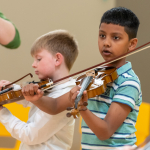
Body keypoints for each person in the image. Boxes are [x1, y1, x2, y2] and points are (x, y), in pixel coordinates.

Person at [21, 7, 141, 149]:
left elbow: (105, 132)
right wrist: (36, 98)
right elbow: (55, 106)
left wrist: (81, 108)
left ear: (132, 44)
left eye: (115, 38)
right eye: (102, 35)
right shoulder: (95, 76)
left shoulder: (128, 82)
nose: (106, 43)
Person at [0, 29, 79, 150]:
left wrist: (2, 113)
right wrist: (10, 88)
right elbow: (29, 99)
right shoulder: (49, 86)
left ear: (57, 59)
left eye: (38, 59)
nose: (33, 64)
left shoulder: (65, 95)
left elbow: (29, 135)